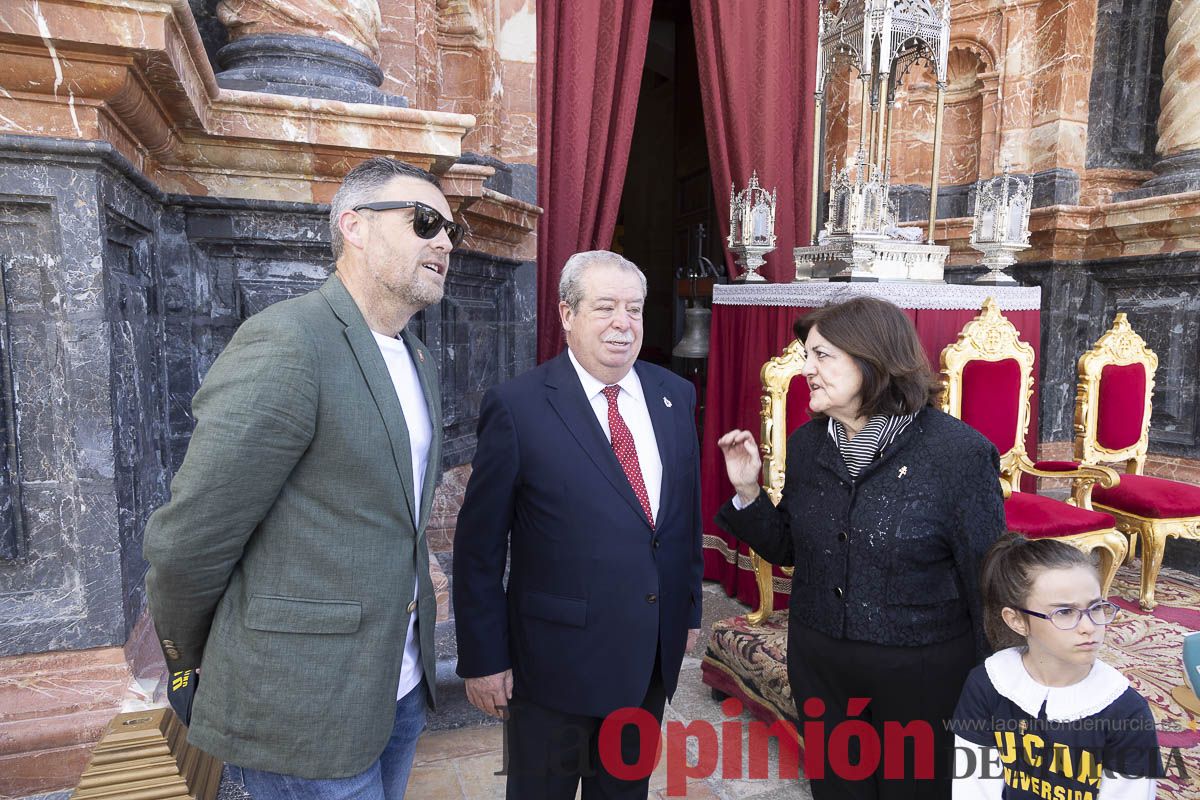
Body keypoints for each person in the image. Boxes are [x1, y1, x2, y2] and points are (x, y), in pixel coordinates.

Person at [143, 156, 463, 799]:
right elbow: (191, 538)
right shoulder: (290, 341)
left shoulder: (418, 355)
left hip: (398, 686)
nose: (445, 242)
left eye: (453, 230)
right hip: (301, 702)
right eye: (425, 221)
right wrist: (192, 660)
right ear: (355, 225)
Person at [715, 296, 1007, 800]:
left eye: (821, 355)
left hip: (920, 670)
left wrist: (993, 687)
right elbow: (791, 547)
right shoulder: (809, 444)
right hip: (823, 662)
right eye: (807, 354)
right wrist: (748, 493)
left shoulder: (959, 453)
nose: (806, 368)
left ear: (873, 360)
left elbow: (985, 576)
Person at [453, 249, 704, 799]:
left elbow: (683, 519)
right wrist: (484, 658)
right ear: (567, 315)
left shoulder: (674, 396)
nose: (623, 323)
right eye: (605, 307)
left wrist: (686, 610)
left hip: (646, 665)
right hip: (553, 669)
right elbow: (479, 547)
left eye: (635, 309)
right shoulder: (517, 407)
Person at [951, 534, 1162, 798]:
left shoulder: (1127, 713)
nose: (1089, 627)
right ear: (1016, 620)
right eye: (1064, 612)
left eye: (1095, 607)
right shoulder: (988, 685)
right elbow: (974, 789)